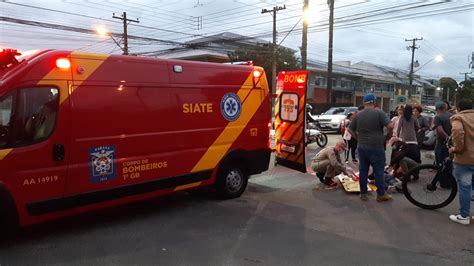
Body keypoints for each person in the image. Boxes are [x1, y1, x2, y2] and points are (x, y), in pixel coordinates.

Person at [347, 93, 393, 201]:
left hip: (362, 146)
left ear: (364, 102)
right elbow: (391, 125)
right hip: (376, 146)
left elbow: (349, 129)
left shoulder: (358, 114)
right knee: (378, 170)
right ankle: (381, 194)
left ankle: (363, 194)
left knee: (363, 170)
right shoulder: (379, 112)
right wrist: (386, 136)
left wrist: (358, 138)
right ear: (374, 102)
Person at [448, 100, 474, 225]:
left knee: (465, 187)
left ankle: (464, 216)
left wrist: (456, 148)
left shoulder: (458, 118)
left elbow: (458, 132)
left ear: (458, 108)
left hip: (465, 159)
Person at [433, 101, 452, 166]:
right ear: (445, 108)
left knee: (440, 164)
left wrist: (448, 139)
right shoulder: (451, 116)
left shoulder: (438, 117)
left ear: (437, 109)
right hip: (451, 144)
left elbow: (440, 131)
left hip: (441, 143)